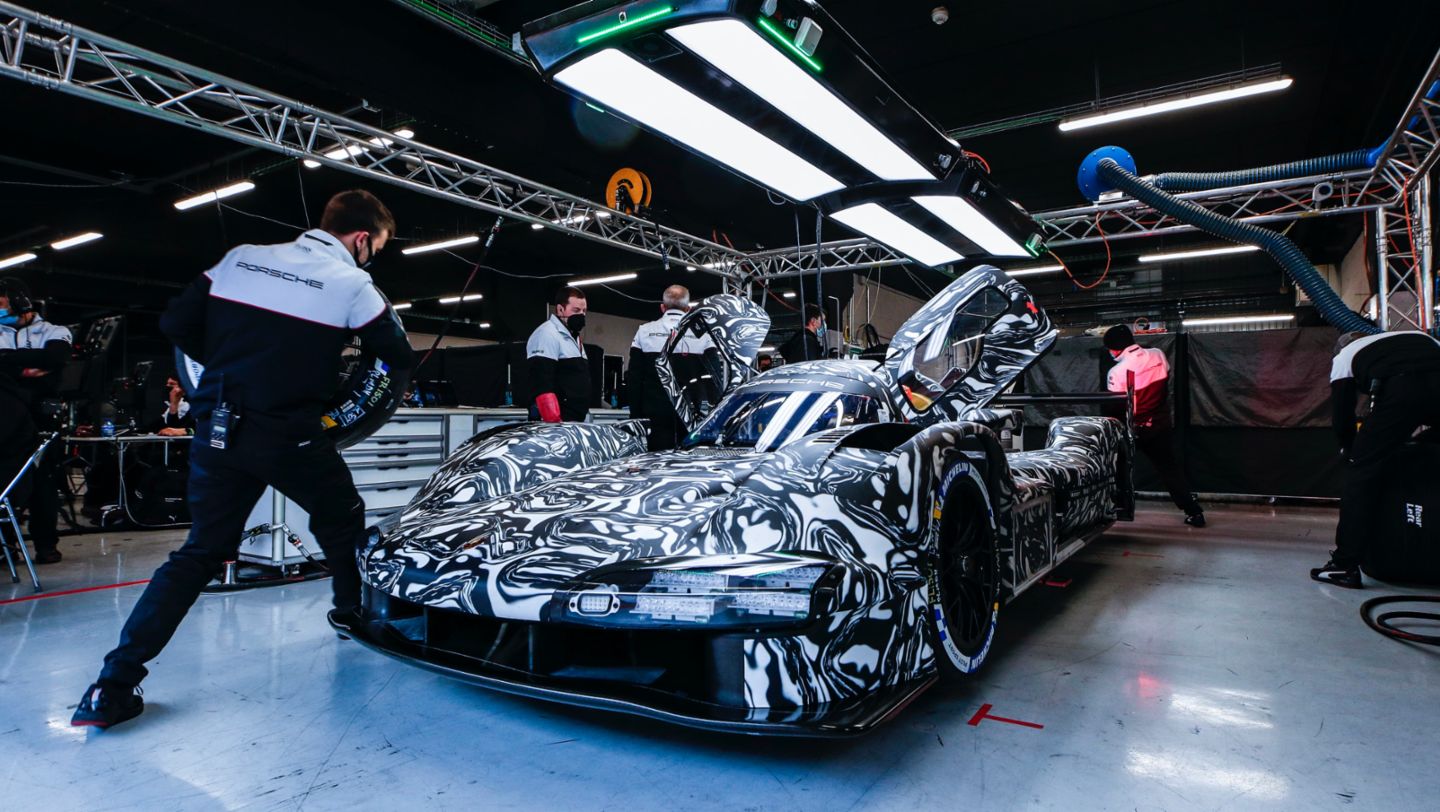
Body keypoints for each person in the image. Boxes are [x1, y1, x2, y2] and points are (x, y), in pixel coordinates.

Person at [72, 190, 414, 729]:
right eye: (377, 247)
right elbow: (396, 355)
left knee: (199, 553)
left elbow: (176, 327)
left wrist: (240, 365)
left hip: (218, 426)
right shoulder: (354, 282)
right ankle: (351, 615)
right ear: (362, 239)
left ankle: (110, 686)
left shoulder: (241, 258)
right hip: (289, 434)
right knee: (343, 517)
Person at [1311, 330, 1440, 588]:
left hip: (1403, 389)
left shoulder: (1345, 356)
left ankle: (1344, 565)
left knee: (1361, 475)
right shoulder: (1419, 336)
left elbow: (1342, 416)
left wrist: (1352, 453)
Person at [0, 277, 73, 564]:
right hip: (6, 416)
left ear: (21, 303)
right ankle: (8, 545)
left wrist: (7, 363)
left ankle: (46, 544)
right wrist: (26, 366)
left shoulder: (54, 331)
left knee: (44, 481)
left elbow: (56, 358)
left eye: (3, 305)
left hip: (42, 415)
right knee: (5, 480)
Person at [1102, 324, 1205, 527]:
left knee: (1113, 466)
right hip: (1159, 425)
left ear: (1114, 348)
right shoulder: (1158, 354)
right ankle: (1194, 512)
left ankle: (1112, 509)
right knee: (1169, 469)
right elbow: (1165, 374)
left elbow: (1114, 406)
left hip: (1133, 429)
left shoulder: (1117, 371)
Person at [628, 285, 713, 450]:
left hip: (654, 412)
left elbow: (634, 378)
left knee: (655, 462)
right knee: (688, 462)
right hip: (692, 414)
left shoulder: (644, 331)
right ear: (688, 309)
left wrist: (636, 415)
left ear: (662, 307)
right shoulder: (704, 334)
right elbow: (713, 379)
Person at [527, 286, 590, 423]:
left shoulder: (574, 338)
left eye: (584, 311)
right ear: (560, 309)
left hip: (575, 420)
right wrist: (554, 423)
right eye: (576, 310)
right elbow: (542, 382)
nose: (581, 315)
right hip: (556, 423)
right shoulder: (546, 334)